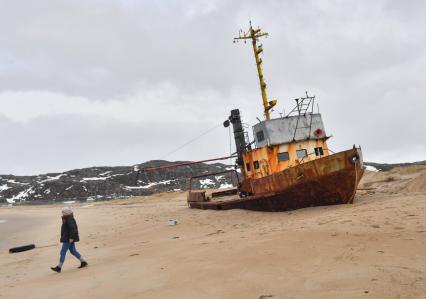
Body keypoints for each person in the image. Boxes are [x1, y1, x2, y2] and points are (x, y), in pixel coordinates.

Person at [51, 207, 88, 273]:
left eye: (64, 212)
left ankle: (59, 267)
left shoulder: (69, 219)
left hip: (68, 239)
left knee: (63, 252)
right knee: (73, 251)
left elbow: (73, 229)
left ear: (67, 213)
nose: (62, 213)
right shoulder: (66, 218)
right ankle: (83, 262)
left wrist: (71, 238)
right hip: (68, 238)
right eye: (62, 212)